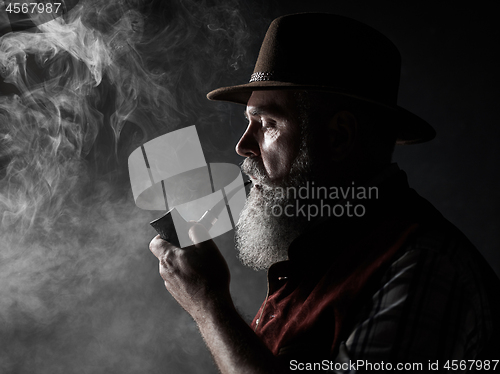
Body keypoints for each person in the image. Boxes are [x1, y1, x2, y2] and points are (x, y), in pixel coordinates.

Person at [149, 13, 500, 373]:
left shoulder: (423, 268)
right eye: (248, 122)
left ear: (338, 136)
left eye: (268, 124)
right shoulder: (320, 258)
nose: (242, 147)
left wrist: (210, 307)